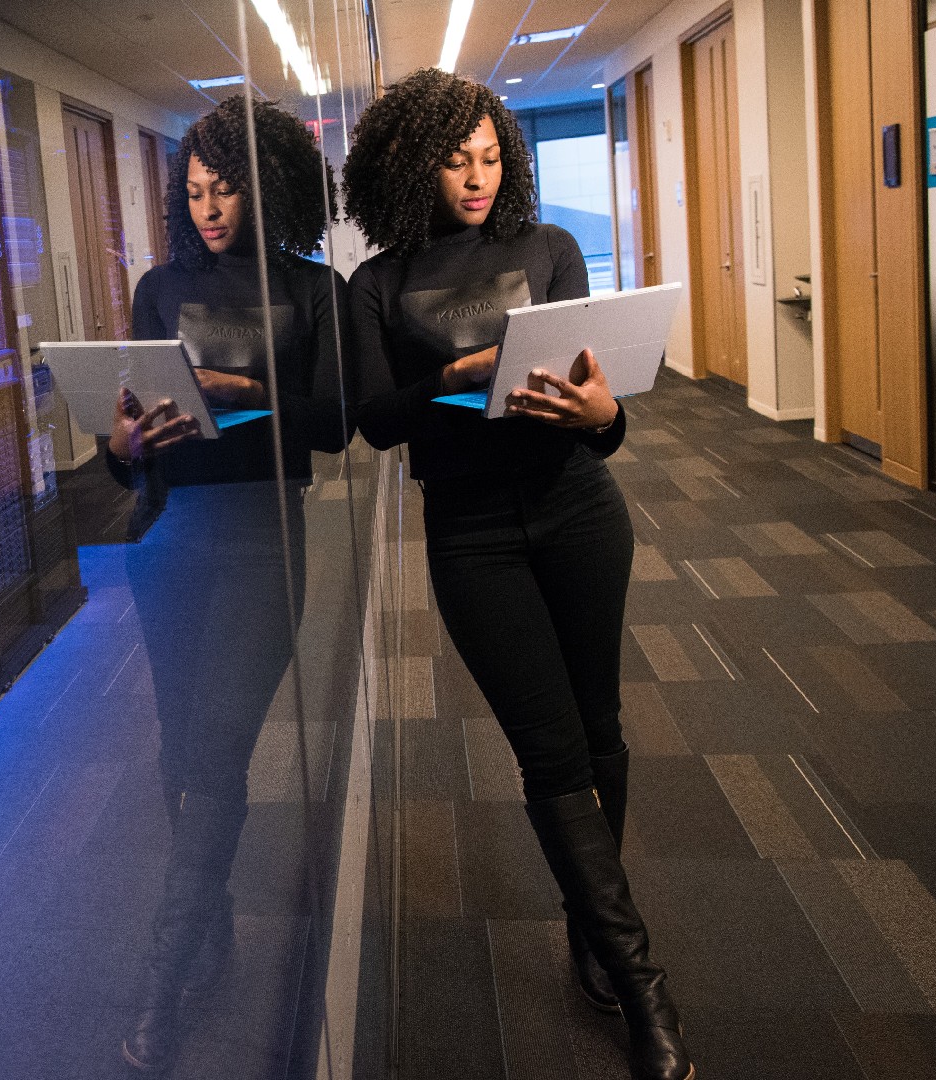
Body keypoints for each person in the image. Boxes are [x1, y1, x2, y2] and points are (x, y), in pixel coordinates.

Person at [343, 68, 693, 1080]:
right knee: (550, 754)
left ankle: (592, 927)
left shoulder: (550, 250)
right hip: (471, 534)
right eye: (456, 159)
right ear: (413, 163)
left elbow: (600, 406)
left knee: (600, 730)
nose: (478, 176)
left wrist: (609, 417)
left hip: (580, 511)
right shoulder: (378, 284)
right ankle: (641, 987)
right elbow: (374, 421)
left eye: (493, 156)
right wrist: (451, 378)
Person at [106, 95, 352, 1074]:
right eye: (196, 192)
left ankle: (163, 981)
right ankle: (212, 936)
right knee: (182, 752)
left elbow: (337, 427)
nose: (210, 208)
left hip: (263, 544)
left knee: (213, 752)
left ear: (266, 186)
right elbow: (127, 447)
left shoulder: (311, 287)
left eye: (227, 189)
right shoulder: (158, 288)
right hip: (169, 540)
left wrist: (253, 395)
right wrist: (123, 444)